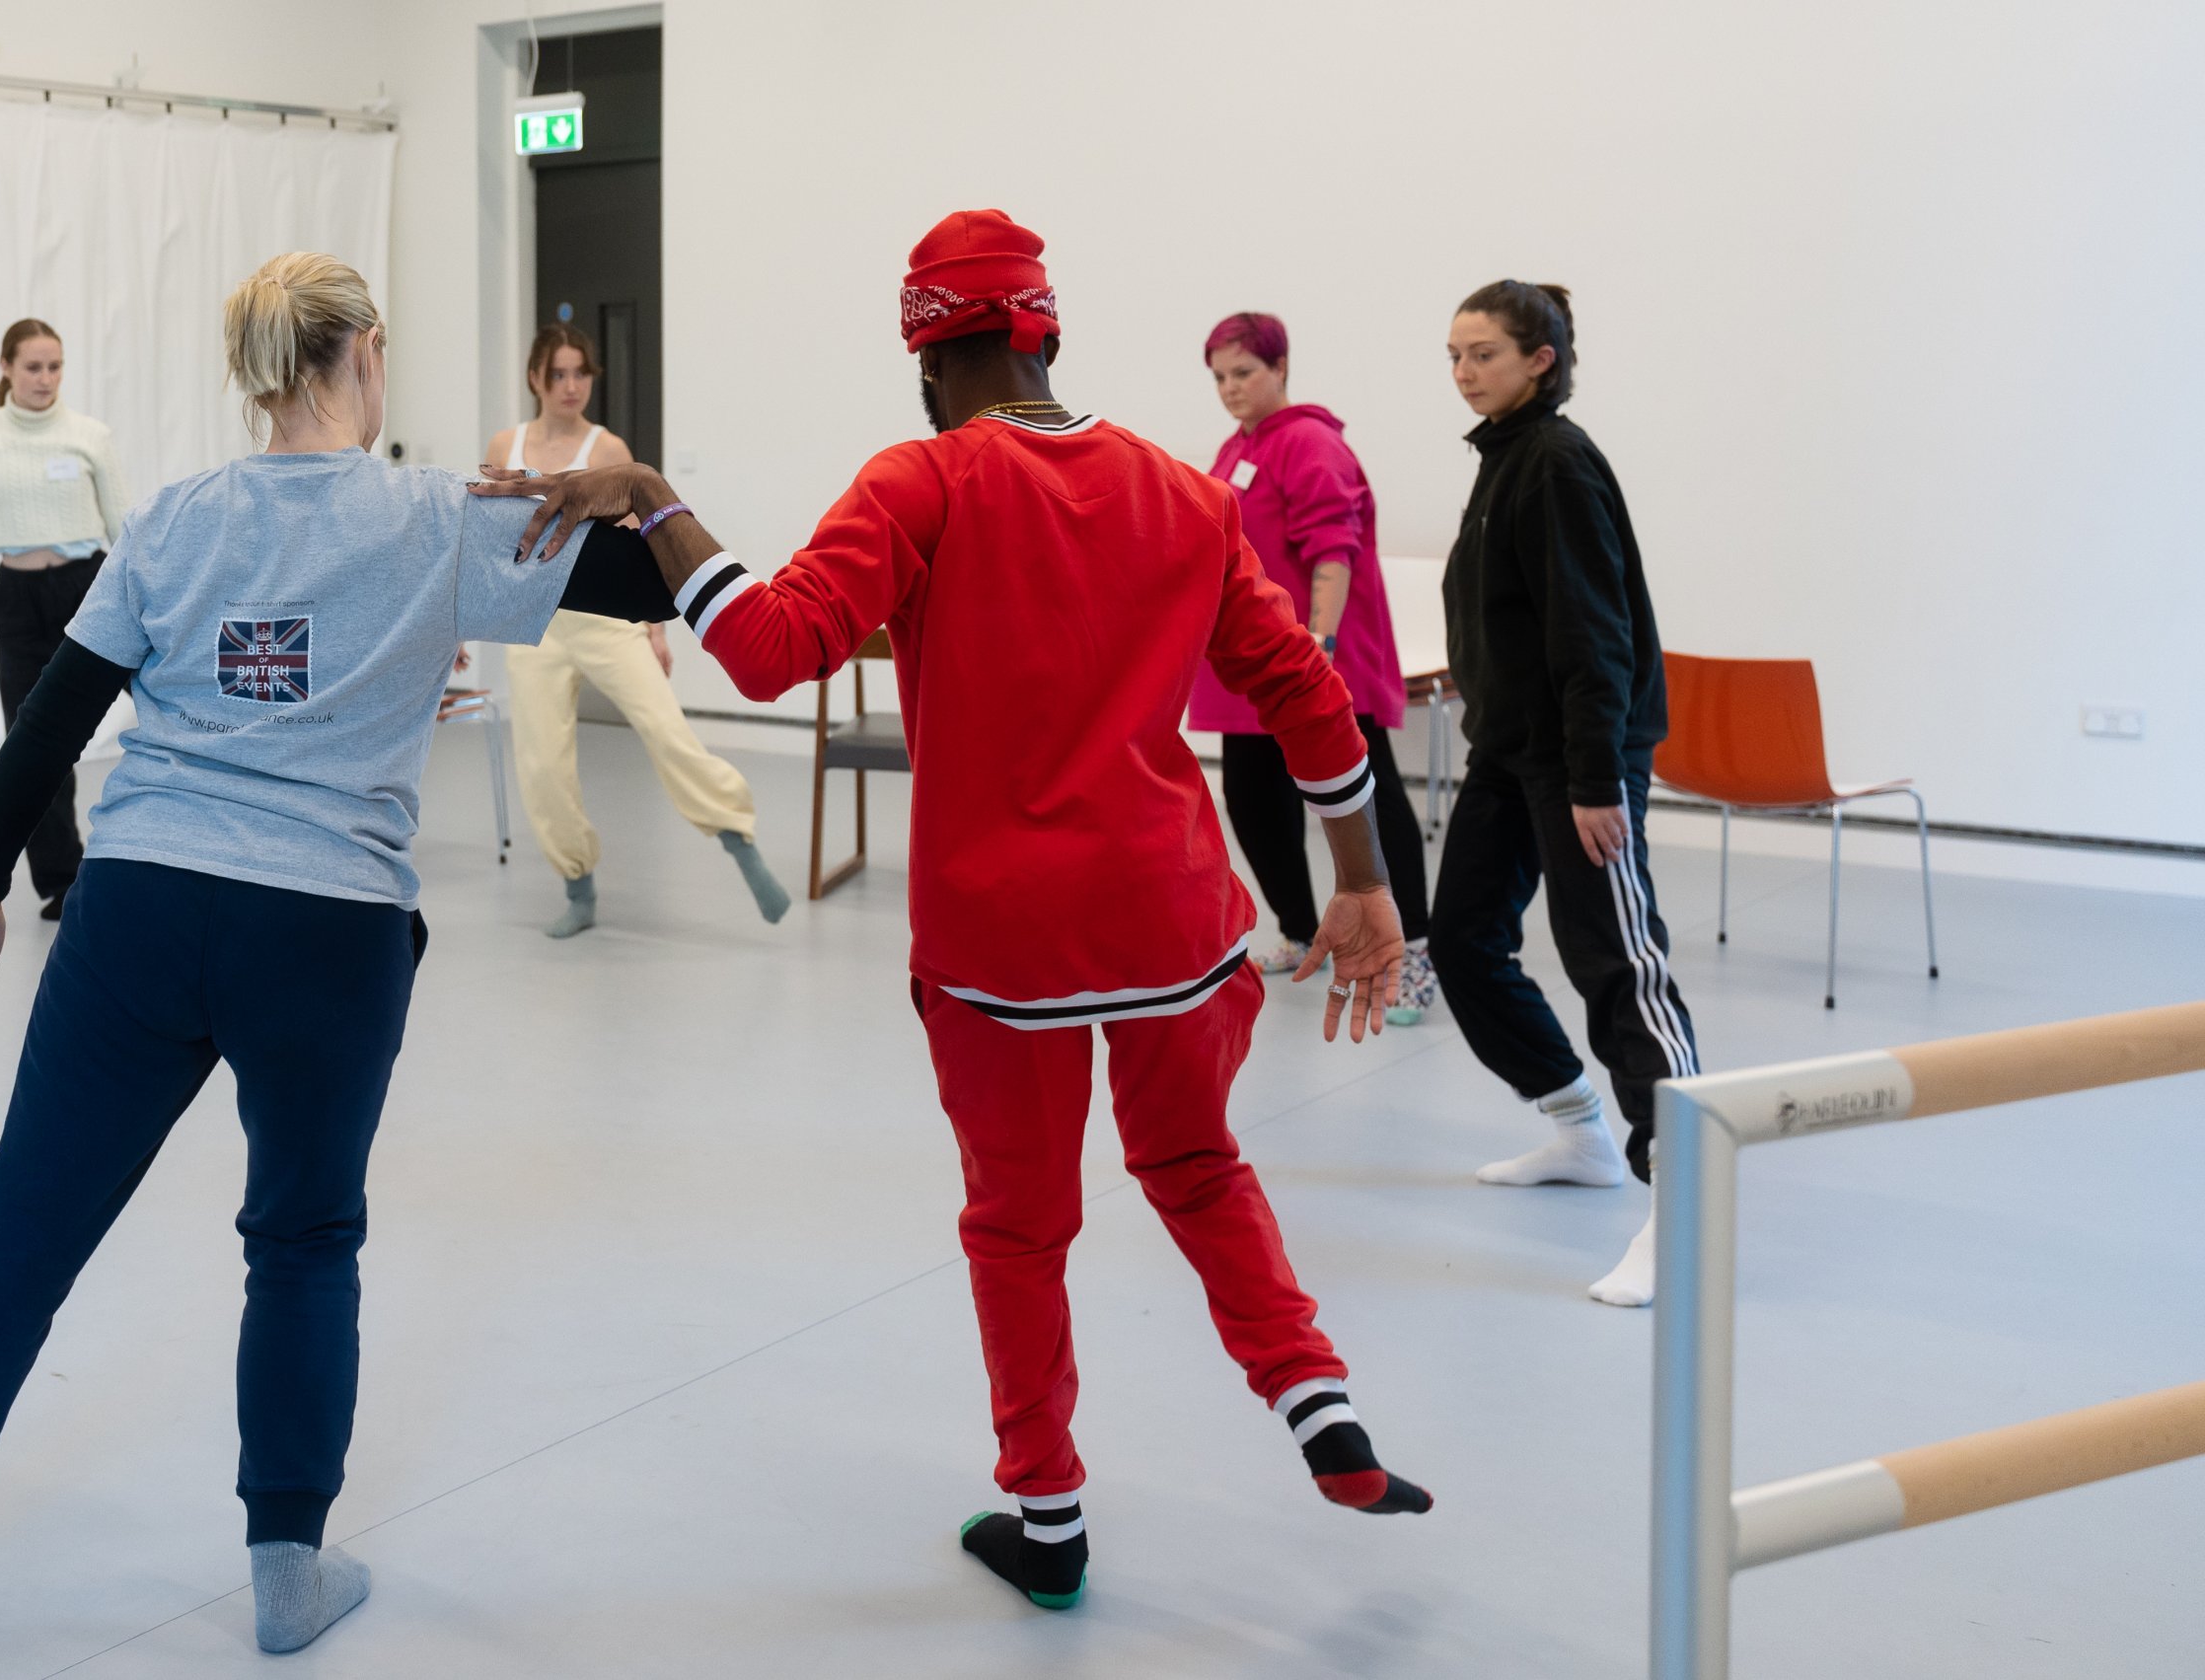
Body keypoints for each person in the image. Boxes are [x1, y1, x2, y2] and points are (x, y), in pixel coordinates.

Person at [483, 210, 1433, 1614]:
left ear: (927, 360)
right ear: (1046, 333)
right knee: (1195, 1162)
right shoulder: (1184, 491)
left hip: (1006, 945)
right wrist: (1360, 878)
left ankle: (1048, 1518)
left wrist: (655, 497)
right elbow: (1305, 689)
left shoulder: (919, 480)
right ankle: (1319, 1402)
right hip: (1174, 922)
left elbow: (768, 648)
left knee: (1020, 1226)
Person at [0, 253, 677, 1653]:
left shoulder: (175, 517)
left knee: (20, 1236)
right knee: (305, 1240)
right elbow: (659, 586)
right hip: (329, 927)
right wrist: (642, 485)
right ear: (364, 351)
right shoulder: (444, 517)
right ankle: (285, 1574)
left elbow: (53, 719)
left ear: (256, 372)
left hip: (141, 906)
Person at [1429, 280, 1700, 1309]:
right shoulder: (1504, 454)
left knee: (1619, 967)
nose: (1464, 372)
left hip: (1578, 764)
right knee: (1462, 940)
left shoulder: (1555, 460)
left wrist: (1596, 780)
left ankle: (1686, 1203)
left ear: (1540, 359)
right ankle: (1577, 1128)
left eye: (1484, 354)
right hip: (1510, 751)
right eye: (1454, 355)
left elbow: (1595, 632)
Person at [484, 323, 788, 938]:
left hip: (606, 625)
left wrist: (655, 629)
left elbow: (644, 547)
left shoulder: (608, 449)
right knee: (541, 764)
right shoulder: (505, 443)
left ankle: (736, 835)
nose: (571, 385)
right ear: (536, 378)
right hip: (535, 623)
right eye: (559, 373)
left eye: (581, 372)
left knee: (665, 729)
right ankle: (578, 886)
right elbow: (488, 539)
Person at [1193, 313, 1434, 1020]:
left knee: (1368, 802)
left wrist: (1319, 644)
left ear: (1280, 368)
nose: (1230, 388)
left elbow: (1334, 551)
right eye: (1220, 377)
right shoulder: (1238, 446)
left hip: (1316, 658)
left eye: (1244, 372)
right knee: (1252, 798)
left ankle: (1414, 952)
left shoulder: (1309, 442)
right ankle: (1301, 930)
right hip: (1255, 662)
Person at [0, 319, 129, 919]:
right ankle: (63, 882)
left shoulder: (89, 436)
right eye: (33, 367)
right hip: (16, 597)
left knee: (159, 705)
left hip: (87, 590)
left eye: (55, 367)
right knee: (34, 740)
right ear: (6, 368)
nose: (45, 379)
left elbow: (128, 530)